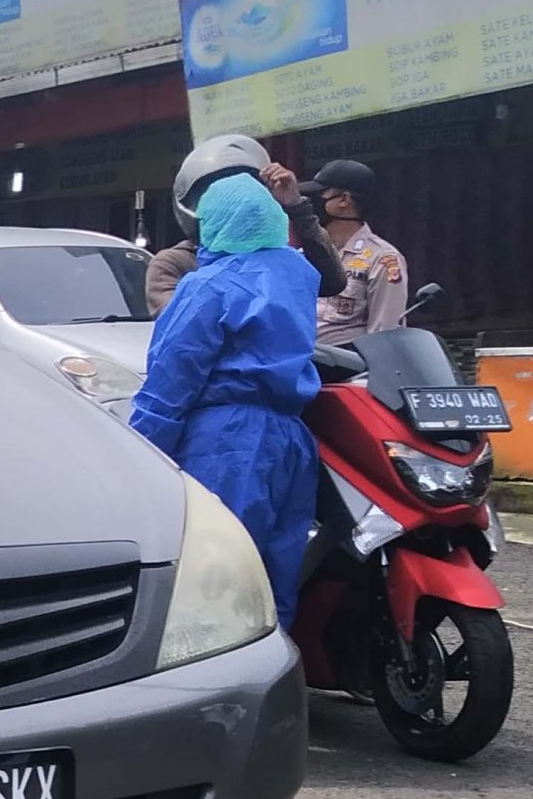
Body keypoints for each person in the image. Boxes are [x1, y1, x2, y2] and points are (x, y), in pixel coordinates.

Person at [129, 171, 322, 626]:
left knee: (220, 572)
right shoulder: (297, 274)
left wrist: (138, 452)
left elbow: (172, 379)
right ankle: (277, 670)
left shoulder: (208, 286)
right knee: (277, 568)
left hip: (227, 441)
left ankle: (218, 679)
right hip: (292, 439)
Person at [146, 134, 343, 313]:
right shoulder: (174, 262)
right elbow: (178, 327)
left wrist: (296, 208)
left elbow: (331, 282)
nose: (239, 205)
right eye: (223, 198)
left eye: (247, 194)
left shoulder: (276, 257)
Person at [306, 158, 409, 346]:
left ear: (344, 200)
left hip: (345, 367)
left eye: (319, 195)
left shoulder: (382, 258)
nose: (311, 203)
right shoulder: (306, 253)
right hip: (299, 364)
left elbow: (383, 336)